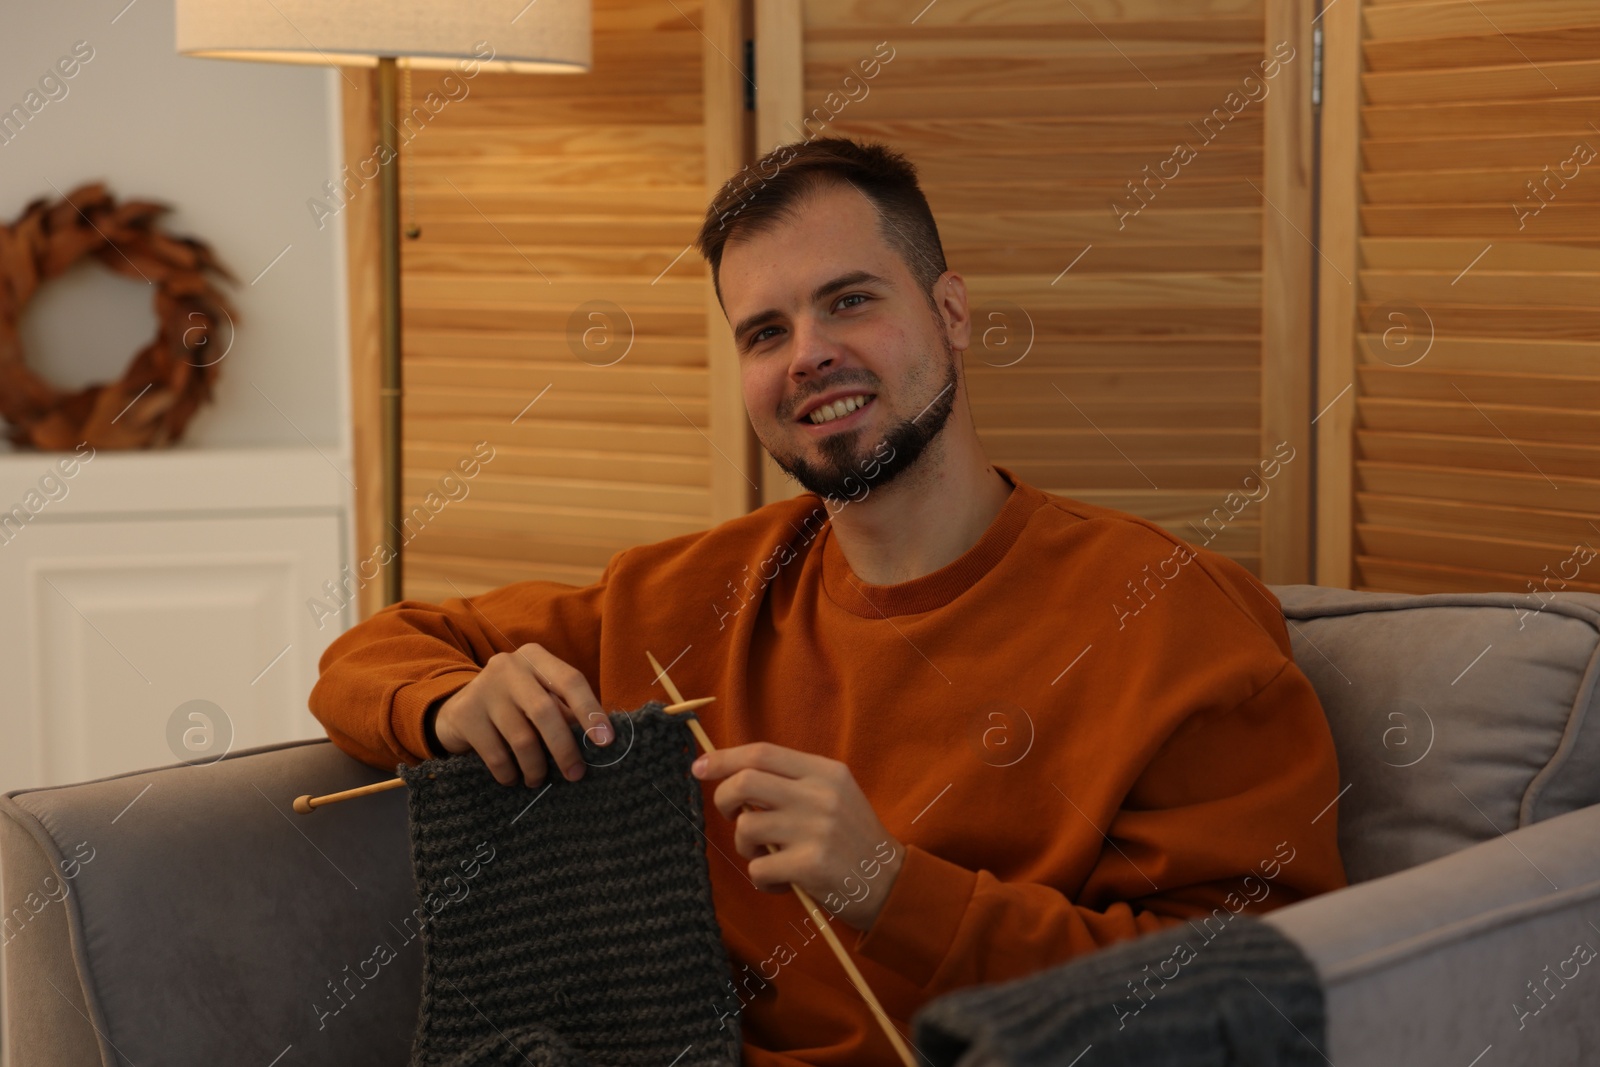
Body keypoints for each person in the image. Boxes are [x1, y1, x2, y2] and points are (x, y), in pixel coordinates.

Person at [308, 136, 1348, 1066]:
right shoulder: (682, 593)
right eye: (764, 330)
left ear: (948, 312)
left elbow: (1258, 980)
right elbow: (370, 653)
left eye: (849, 300)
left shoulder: (1170, 613)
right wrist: (448, 706)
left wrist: (895, 885)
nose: (806, 353)